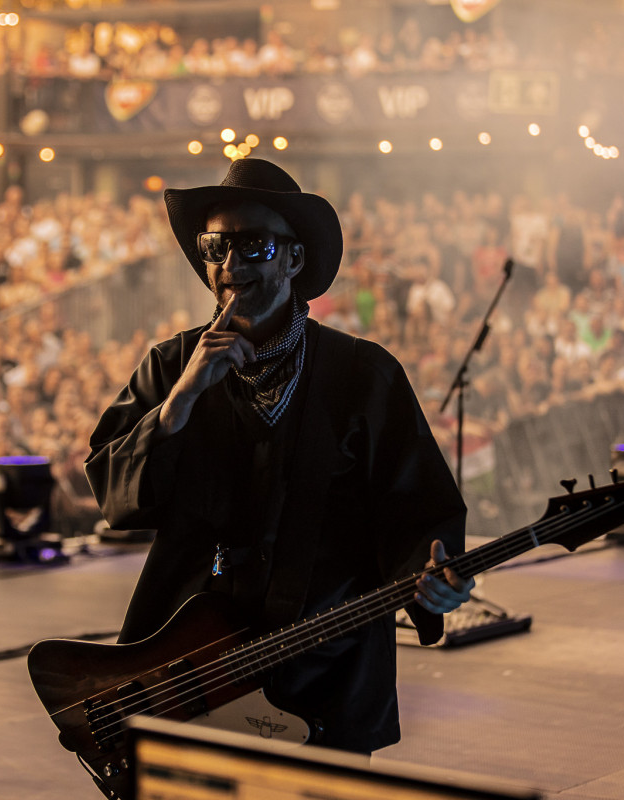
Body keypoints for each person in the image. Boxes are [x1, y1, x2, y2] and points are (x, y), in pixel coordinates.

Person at [85, 159, 472, 755]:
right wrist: (178, 405)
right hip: (194, 669)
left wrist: (432, 577)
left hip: (326, 663)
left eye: (254, 245)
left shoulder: (364, 374)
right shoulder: (170, 366)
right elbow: (112, 486)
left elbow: (418, 509)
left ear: (294, 259)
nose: (231, 266)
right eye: (215, 246)